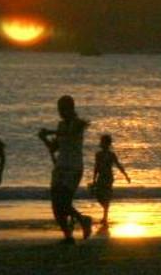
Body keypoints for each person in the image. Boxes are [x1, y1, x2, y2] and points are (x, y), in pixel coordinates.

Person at [36, 95, 92, 241]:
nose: (60, 112)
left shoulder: (78, 123)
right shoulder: (61, 125)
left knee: (64, 202)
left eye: (62, 109)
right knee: (56, 205)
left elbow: (71, 133)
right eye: (59, 109)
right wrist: (44, 139)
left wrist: (51, 132)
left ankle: (82, 220)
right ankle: (68, 235)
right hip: (60, 167)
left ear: (70, 108)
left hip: (73, 167)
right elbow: (54, 148)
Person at [89, 133, 131, 231]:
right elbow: (96, 167)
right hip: (101, 177)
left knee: (106, 196)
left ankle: (105, 217)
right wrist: (94, 179)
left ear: (108, 144)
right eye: (102, 142)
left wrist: (126, 175)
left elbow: (118, 164)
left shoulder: (111, 154)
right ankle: (105, 211)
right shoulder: (98, 154)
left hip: (108, 177)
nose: (103, 144)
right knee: (98, 195)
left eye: (105, 143)